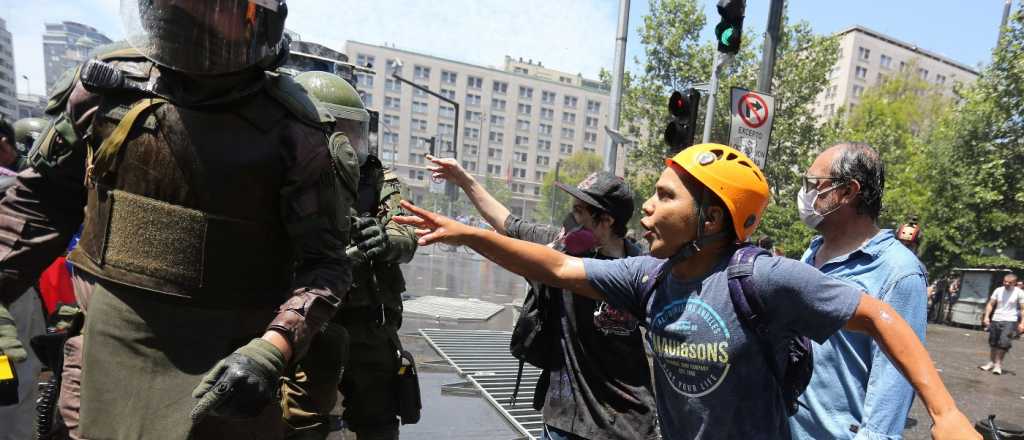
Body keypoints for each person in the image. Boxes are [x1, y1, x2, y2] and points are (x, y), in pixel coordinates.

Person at [394, 143, 979, 440]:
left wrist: (945, 411)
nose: (647, 207)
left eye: (665, 196)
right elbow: (557, 268)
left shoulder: (764, 277)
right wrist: (469, 234)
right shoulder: (648, 276)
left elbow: (879, 316)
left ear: (713, 219)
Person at [0, 1, 355, 438]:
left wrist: (273, 347)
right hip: (101, 364)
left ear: (260, 20)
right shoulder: (109, 91)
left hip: (226, 373)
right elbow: (39, 201)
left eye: (225, 8)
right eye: (190, 5)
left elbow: (326, 264)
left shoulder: (296, 131)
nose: (203, 21)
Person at [428, 156, 657, 440]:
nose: (569, 220)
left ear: (607, 220)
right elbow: (507, 223)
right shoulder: (557, 248)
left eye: (578, 212)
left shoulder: (641, 270)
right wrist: (464, 180)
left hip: (624, 423)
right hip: (565, 417)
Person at [281, 71, 419, 440]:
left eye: (353, 130)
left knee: (378, 425)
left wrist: (385, 240)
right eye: (336, 129)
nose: (348, 142)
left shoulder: (378, 179)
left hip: (371, 329)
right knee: (300, 423)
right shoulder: (286, 176)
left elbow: (405, 230)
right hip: (309, 322)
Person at [788, 143, 929, 439]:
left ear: (848, 192)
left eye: (814, 184)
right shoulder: (811, 253)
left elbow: (894, 383)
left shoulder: (899, 272)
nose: (805, 194)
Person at [979, 273, 1024, 375]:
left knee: (1004, 343)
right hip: (996, 319)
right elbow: (991, 304)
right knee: (993, 342)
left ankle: (998, 364)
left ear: (1015, 283)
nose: (1006, 284)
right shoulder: (998, 290)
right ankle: (991, 362)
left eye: (1009, 283)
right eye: (1005, 282)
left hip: (1010, 320)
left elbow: (1023, 309)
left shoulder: (1019, 292)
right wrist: (986, 317)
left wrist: (1022, 323)